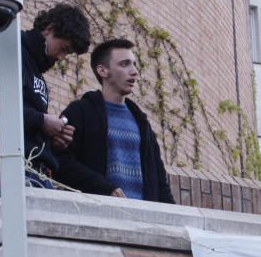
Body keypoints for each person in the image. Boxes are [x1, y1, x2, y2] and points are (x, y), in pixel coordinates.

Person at [0, 3, 91, 206]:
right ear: (49, 29)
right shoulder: (10, 52)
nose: (61, 57)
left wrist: (51, 137)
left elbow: (23, 123)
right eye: (63, 48)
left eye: (67, 53)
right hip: (11, 169)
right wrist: (42, 120)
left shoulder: (35, 71)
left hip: (35, 171)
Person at [56, 38, 175, 203]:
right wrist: (103, 188)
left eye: (134, 64)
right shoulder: (80, 112)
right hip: (97, 214)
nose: (134, 71)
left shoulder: (142, 123)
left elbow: (159, 178)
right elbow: (61, 161)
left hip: (143, 218)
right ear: (103, 71)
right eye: (125, 64)